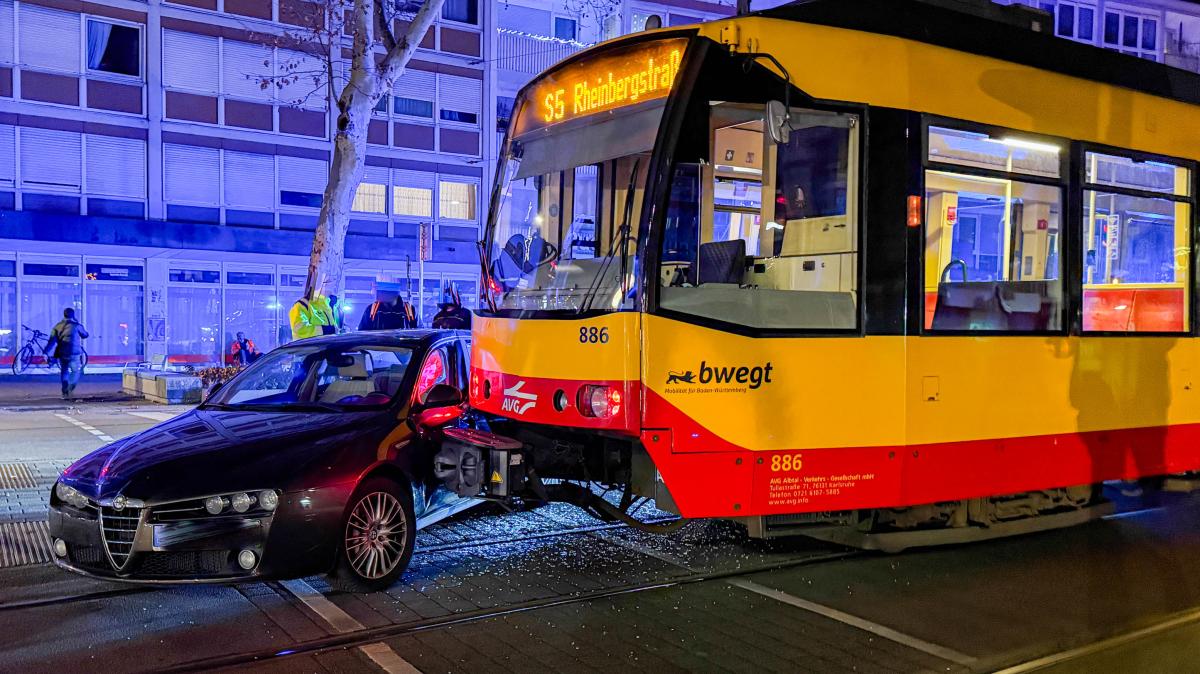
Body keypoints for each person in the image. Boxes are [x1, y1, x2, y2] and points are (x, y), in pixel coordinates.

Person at [44, 308, 89, 400]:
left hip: (62, 352)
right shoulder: (76, 326)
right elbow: (85, 335)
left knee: (64, 371)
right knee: (75, 371)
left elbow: (51, 341)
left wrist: (46, 352)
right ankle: (70, 388)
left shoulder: (57, 326)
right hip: (74, 352)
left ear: (64, 315)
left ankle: (64, 389)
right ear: (73, 315)